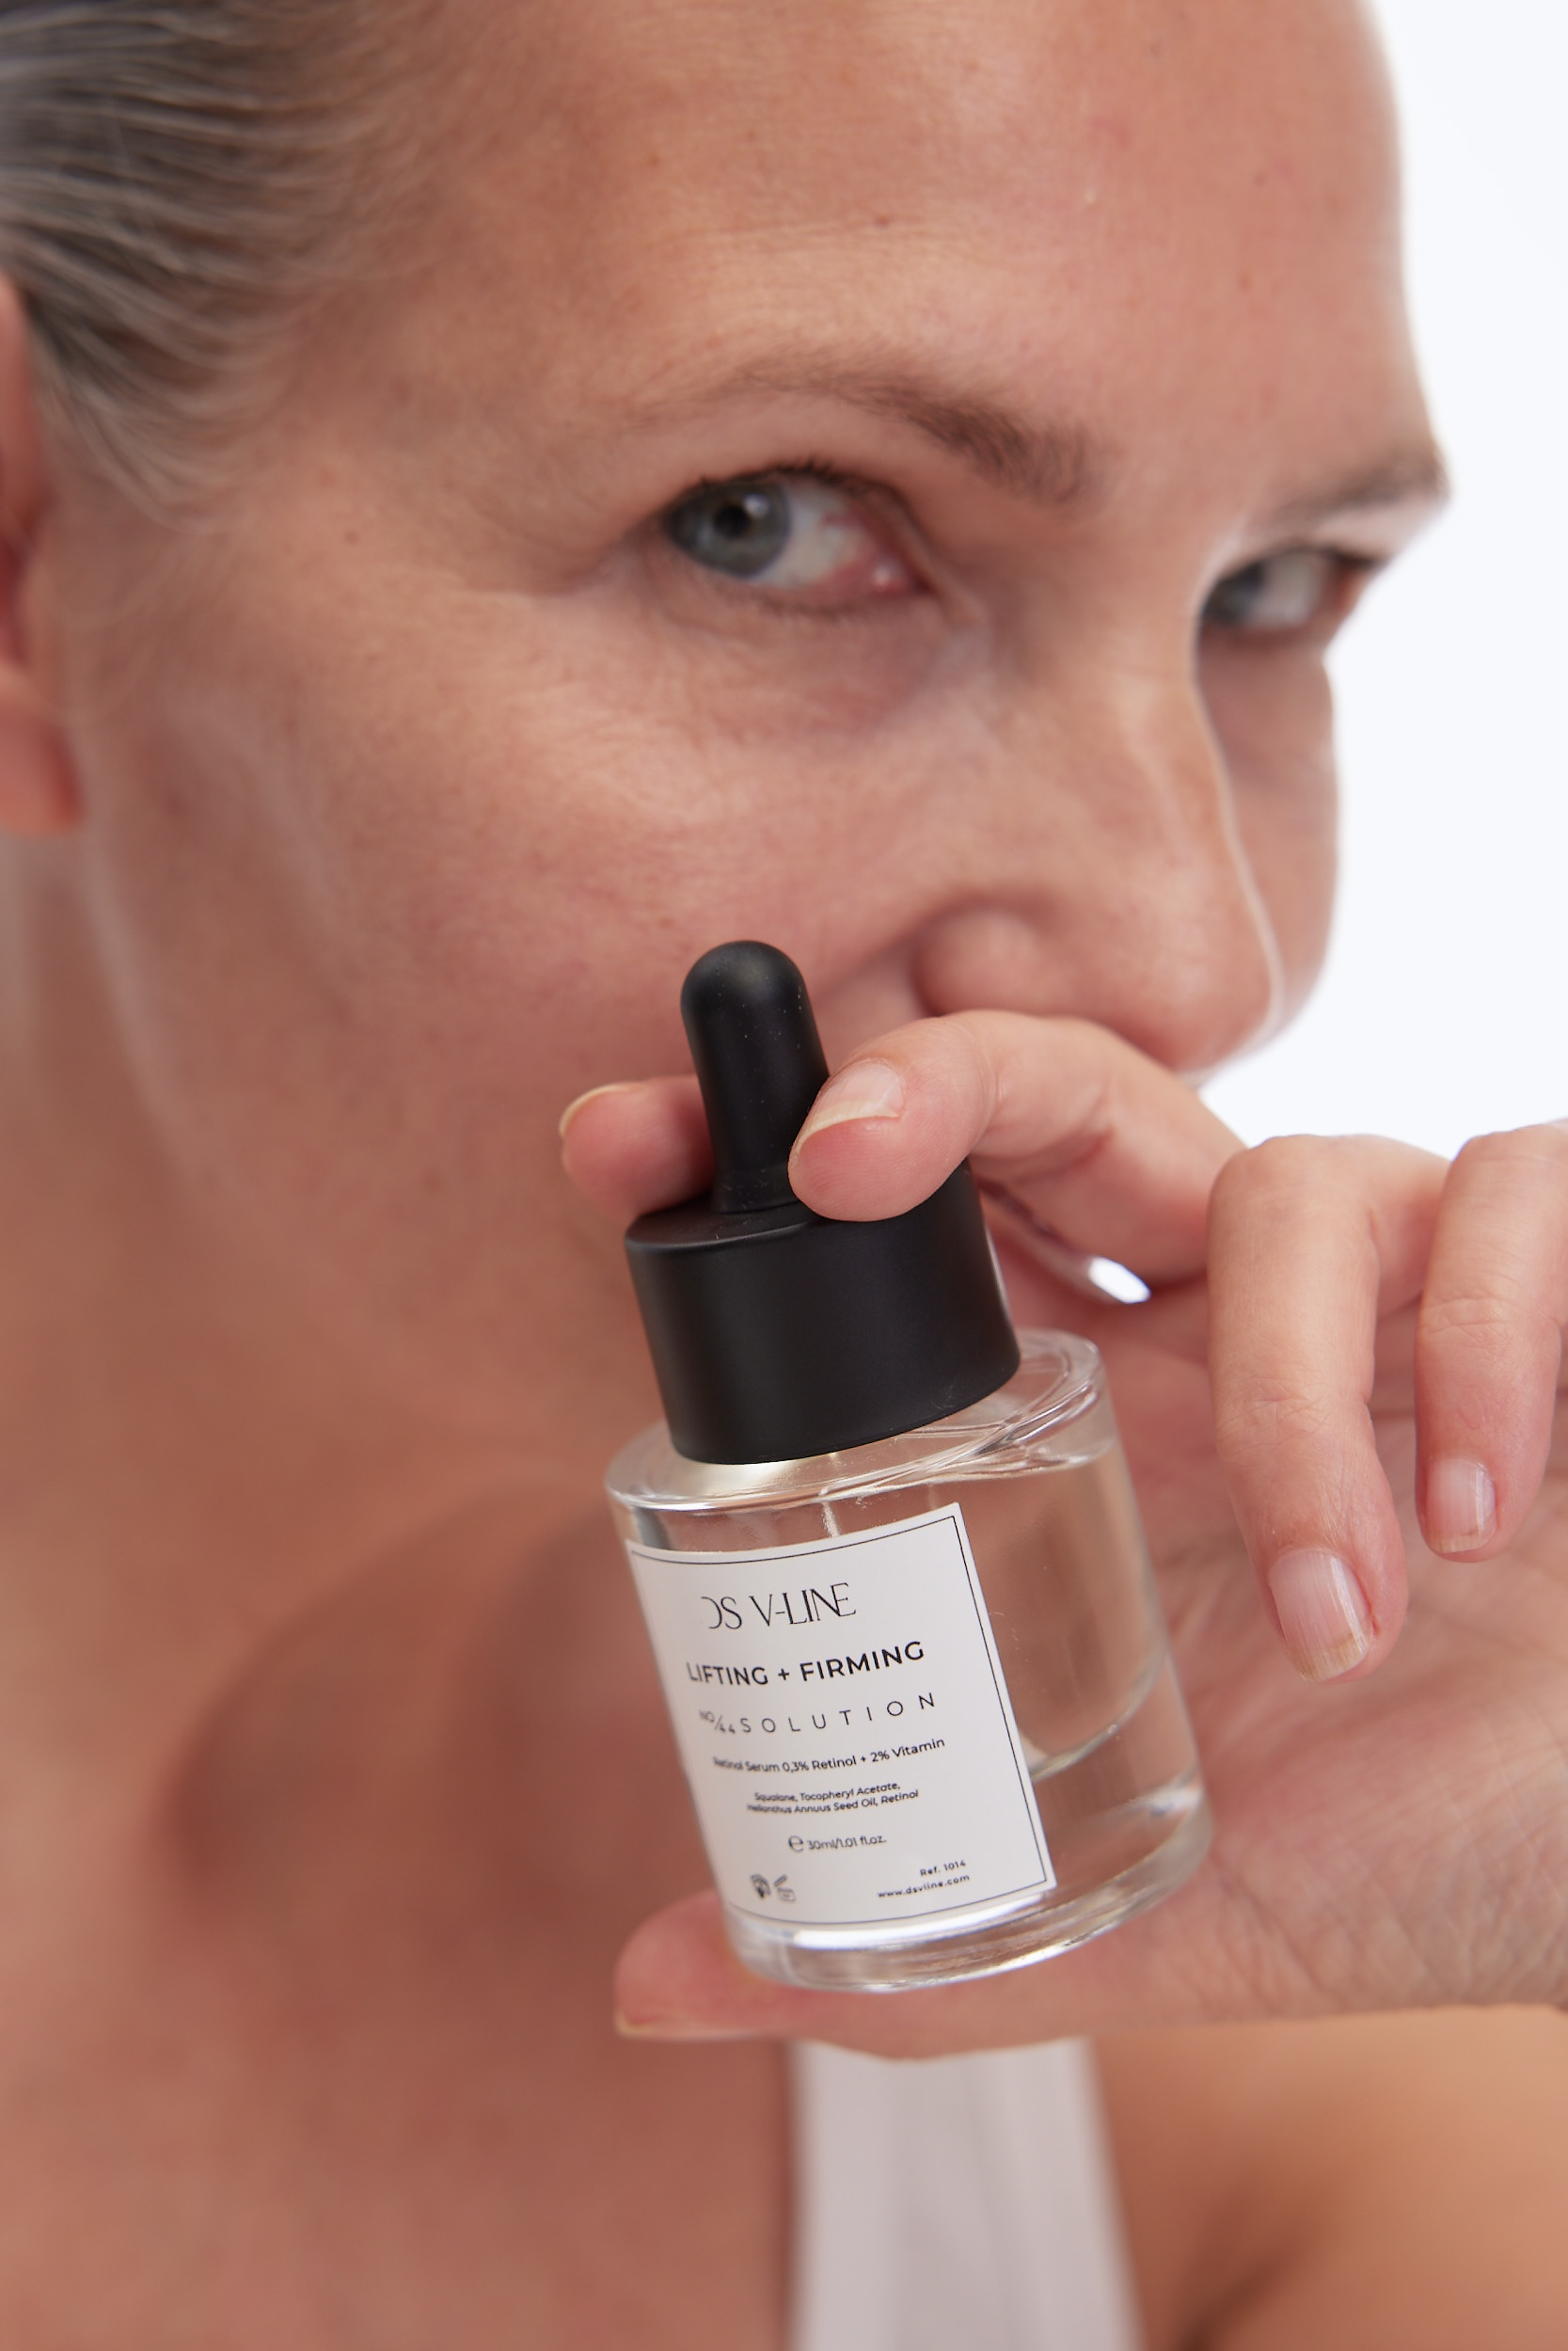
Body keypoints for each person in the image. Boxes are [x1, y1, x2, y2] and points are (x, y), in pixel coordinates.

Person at [0, 0, 1563, 2343]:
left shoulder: (1246, 2001)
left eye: (1274, 587)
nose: (1196, 953)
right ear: (29, 549)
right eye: (775, 524)